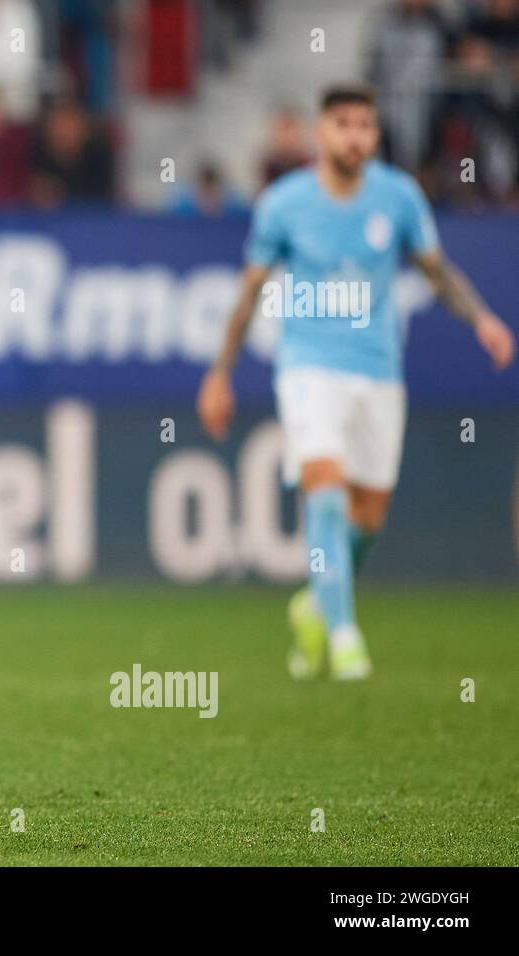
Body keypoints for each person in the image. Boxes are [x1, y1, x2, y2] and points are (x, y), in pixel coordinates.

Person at [196, 85, 514, 680]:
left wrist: (483, 319)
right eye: (343, 124)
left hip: (378, 370)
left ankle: (315, 604)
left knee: (367, 516)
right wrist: (220, 375)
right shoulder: (284, 205)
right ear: (320, 133)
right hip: (308, 364)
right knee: (324, 487)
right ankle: (345, 639)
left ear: (375, 135)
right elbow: (249, 294)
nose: (355, 135)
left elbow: (436, 273)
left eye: (366, 125)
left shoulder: (397, 197)